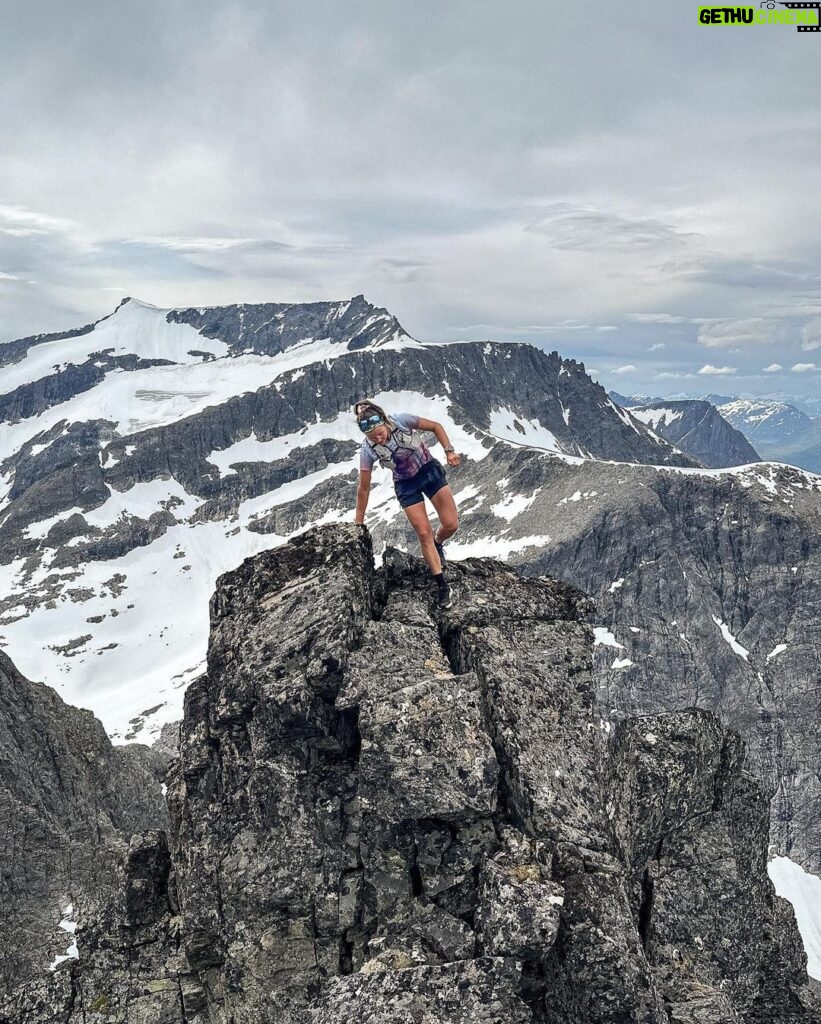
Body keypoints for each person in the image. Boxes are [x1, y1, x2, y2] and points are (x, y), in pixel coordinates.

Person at [353, 399, 461, 608]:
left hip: (429, 471)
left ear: (383, 421)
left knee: (451, 524)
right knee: (423, 533)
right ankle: (442, 586)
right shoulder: (367, 450)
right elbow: (363, 489)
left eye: (379, 432)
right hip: (405, 484)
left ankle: (438, 543)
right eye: (372, 436)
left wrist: (449, 451)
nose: (378, 438)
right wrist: (358, 523)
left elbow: (435, 427)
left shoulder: (401, 420)